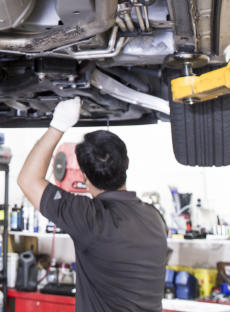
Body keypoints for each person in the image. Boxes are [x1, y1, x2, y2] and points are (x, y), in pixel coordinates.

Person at [17, 97, 168, 312]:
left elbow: (28, 180)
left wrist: (59, 125)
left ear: (84, 175)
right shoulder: (154, 217)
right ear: (127, 163)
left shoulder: (91, 220)